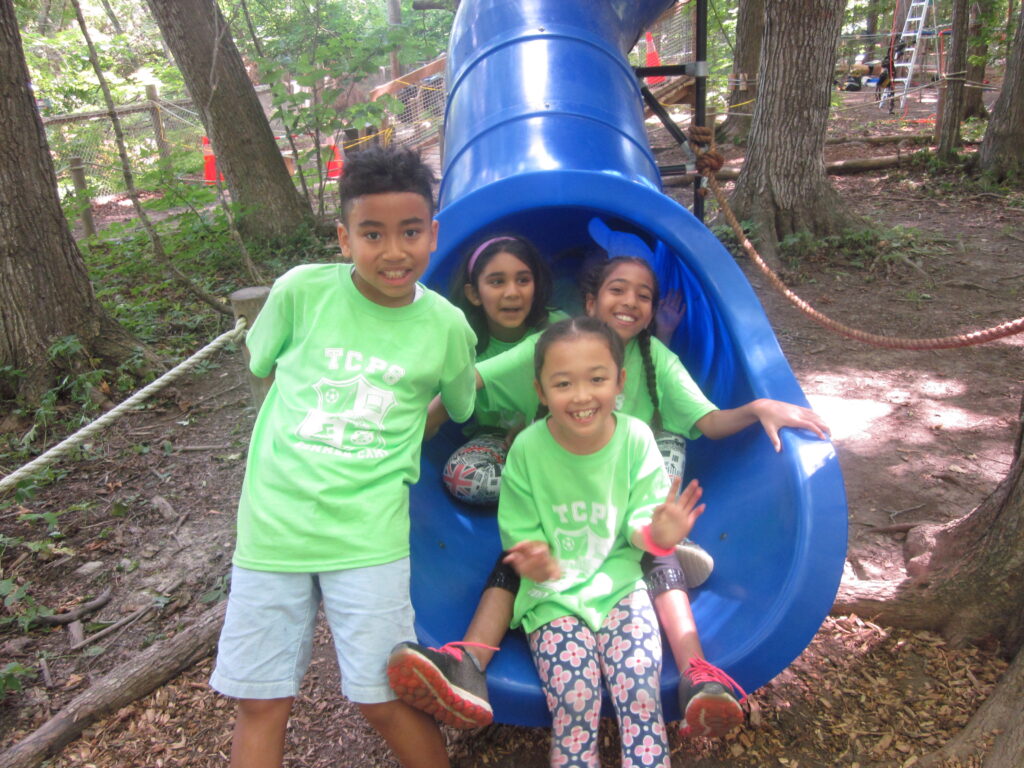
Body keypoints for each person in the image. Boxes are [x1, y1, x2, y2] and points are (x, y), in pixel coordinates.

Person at [389, 224, 829, 739]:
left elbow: (707, 421)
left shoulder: (654, 361)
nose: (631, 302)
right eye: (618, 290)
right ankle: (468, 665)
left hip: (629, 498)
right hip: (561, 494)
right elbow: (477, 379)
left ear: (617, 383)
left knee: (664, 450)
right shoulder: (553, 345)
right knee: (520, 548)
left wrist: (756, 407)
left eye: (643, 295)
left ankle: (674, 583)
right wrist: (403, 432)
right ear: (590, 301)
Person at [208, 146, 477, 768]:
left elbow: (459, 404)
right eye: (372, 233)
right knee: (262, 699)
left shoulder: (445, 327)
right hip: (274, 529)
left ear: (433, 234)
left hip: (368, 536)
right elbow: (263, 362)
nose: (393, 251)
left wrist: (408, 428)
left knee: (386, 696)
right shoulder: (301, 293)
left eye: (410, 232)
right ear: (343, 237)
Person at [500, 316, 705, 768]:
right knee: (575, 698)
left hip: (620, 588)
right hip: (552, 598)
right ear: (541, 391)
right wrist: (534, 559)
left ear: (619, 382)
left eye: (597, 379)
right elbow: (521, 531)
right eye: (563, 383)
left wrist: (658, 534)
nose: (581, 396)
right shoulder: (528, 450)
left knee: (639, 688)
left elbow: (640, 522)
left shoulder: (635, 438)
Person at [441, 235, 562, 505]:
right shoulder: (464, 343)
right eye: (497, 282)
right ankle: (547, 489)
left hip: (561, 434)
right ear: (474, 293)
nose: (512, 292)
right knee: (463, 477)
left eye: (523, 280)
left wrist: (535, 426)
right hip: (497, 441)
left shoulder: (559, 329)